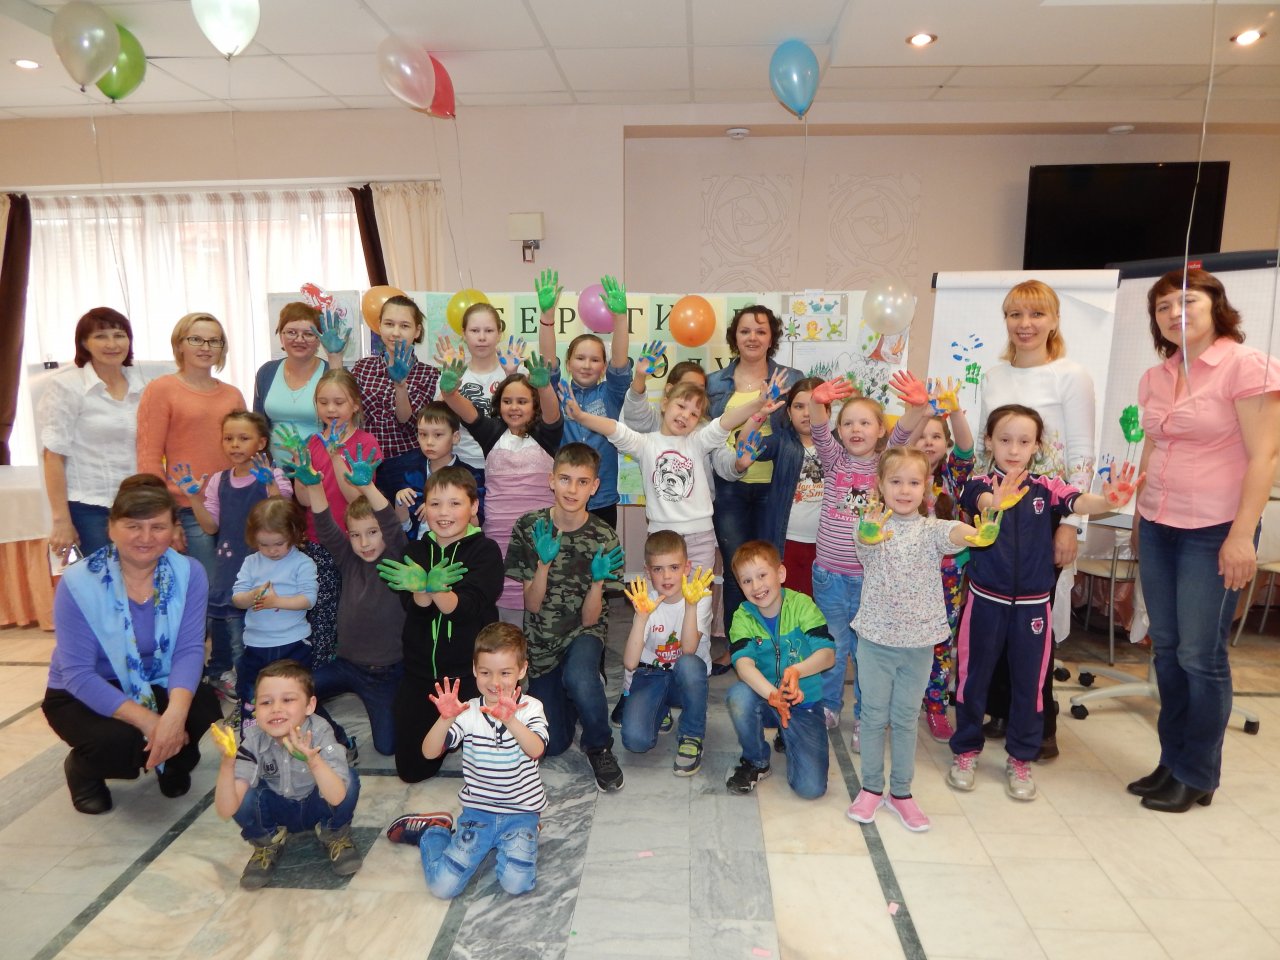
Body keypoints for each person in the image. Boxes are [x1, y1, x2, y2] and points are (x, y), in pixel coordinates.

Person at [1126, 268, 1280, 813]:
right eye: (1163, 306)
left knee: (1199, 654)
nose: (1175, 313)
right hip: (1159, 523)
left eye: (1187, 301)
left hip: (1215, 528)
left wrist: (1241, 536)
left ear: (1216, 306)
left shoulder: (1246, 365)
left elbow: (1265, 456)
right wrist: (1140, 517)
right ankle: (1171, 762)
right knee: (1167, 649)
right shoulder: (1156, 376)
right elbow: (1152, 449)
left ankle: (1198, 773)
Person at [949, 404, 1139, 801]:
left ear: (1037, 446)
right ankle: (965, 751)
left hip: (1034, 606)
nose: (1013, 449)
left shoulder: (1047, 486)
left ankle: (1021, 757)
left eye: (1024, 441)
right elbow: (983, 502)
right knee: (972, 678)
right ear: (989, 442)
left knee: (1030, 686)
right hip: (985, 601)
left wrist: (1108, 501)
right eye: (1004, 440)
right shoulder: (977, 483)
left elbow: (1080, 503)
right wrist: (997, 501)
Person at [42, 474, 222, 815]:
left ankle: (172, 760)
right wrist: (152, 723)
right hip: (84, 688)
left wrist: (174, 716)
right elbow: (78, 674)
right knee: (119, 740)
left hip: (157, 676)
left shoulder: (189, 572)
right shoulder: (78, 583)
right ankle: (83, 770)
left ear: (174, 529)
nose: (146, 537)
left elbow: (188, 649)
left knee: (201, 709)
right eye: (133, 526)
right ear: (111, 528)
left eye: (158, 527)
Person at [845, 448, 1000, 832]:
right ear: (880, 486)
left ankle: (901, 793)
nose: (904, 490)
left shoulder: (931, 529)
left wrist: (975, 534)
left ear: (926, 488)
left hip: (919, 644)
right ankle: (870, 788)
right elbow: (863, 541)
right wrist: (868, 534)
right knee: (873, 716)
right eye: (895, 481)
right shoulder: (872, 525)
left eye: (913, 482)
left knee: (904, 719)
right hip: (876, 640)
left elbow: (954, 532)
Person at [976, 279, 1096, 758]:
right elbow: (985, 446)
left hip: (1048, 513)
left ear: (1054, 320)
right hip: (996, 512)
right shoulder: (993, 375)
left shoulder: (1071, 375)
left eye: (1036, 314)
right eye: (1015, 314)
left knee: (1034, 622)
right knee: (994, 614)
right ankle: (1001, 708)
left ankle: (1040, 722)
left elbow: (1082, 455)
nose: (1025, 324)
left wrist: (1070, 525)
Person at [384, 623, 547, 900]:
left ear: (522, 670)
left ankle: (526, 832)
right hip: (477, 814)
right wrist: (445, 719)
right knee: (442, 887)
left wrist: (511, 720)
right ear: (474, 669)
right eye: (485, 672)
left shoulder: (531, 708)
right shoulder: (467, 712)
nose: (495, 682)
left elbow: (536, 749)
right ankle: (434, 832)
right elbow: (429, 752)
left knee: (516, 884)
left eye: (505, 673)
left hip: (521, 812)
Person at [563, 374, 785, 572]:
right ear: (665, 403)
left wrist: (758, 402)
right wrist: (581, 416)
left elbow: (724, 423)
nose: (685, 415)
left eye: (694, 414)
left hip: (700, 539)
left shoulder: (698, 442)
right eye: (681, 406)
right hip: (662, 539)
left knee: (699, 600)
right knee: (659, 598)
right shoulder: (645, 444)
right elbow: (615, 429)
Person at [809, 373, 926, 743]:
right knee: (833, 645)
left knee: (867, 653)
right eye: (847, 423)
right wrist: (817, 402)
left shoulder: (885, 465)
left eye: (864, 423)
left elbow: (904, 432)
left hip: (870, 579)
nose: (855, 429)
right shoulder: (834, 461)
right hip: (829, 576)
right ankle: (829, 706)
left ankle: (866, 717)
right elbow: (818, 430)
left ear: (880, 430)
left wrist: (918, 406)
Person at [505, 444, 626, 790]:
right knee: (554, 743)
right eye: (565, 479)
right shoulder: (530, 526)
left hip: (583, 631)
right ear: (551, 480)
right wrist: (543, 564)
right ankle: (573, 695)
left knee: (579, 675)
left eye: (582, 482)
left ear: (595, 487)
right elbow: (531, 605)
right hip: (541, 639)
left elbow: (590, 621)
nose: (572, 489)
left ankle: (599, 745)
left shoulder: (603, 536)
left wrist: (598, 582)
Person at [377, 467, 505, 783]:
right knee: (411, 771)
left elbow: (465, 610)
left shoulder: (485, 551)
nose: (444, 512)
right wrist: (421, 589)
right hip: (422, 676)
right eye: (435, 504)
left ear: (473, 506)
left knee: (492, 770)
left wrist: (436, 589)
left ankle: (461, 730)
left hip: (470, 677)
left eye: (454, 503)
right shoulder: (416, 551)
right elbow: (415, 610)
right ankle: (446, 731)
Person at [212, 659, 361, 889]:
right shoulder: (252, 739)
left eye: (288, 700)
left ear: (310, 705)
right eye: (266, 702)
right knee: (244, 793)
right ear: (255, 709)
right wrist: (227, 764)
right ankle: (267, 842)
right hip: (278, 809)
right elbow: (226, 809)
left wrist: (314, 761)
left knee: (348, 780)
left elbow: (337, 796)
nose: (276, 708)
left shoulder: (320, 731)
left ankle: (334, 832)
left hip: (317, 804)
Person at [298, 454, 408, 760]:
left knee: (387, 747)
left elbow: (391, 523)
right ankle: (338, 737)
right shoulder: (348, 558)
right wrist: (315, 487)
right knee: (296, 693)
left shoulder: (397, 555)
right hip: (346, 665)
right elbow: (326, 528)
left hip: (385, 674)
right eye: (356, 535)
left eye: (372, 533)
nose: (364, 543)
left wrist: (369, 487)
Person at [438, 362, 563, 624]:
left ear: (534, 405)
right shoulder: (492, 432)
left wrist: (545, 387)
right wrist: (449, 392)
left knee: (539, 594)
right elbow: (465, 410)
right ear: (498, 404)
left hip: (537, 535)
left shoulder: (545, 434)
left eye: (522, 401)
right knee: (501, 600)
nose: (514, 407)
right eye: (507, 401)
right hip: (498, 534)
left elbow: (553, 414)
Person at [705, 306, 802, 627]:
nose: (753, 338)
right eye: (745, 331)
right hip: (729, 489)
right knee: (738, 571)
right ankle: (740, 644)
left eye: (761, 331)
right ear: (734, 336)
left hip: (775, 489)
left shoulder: (792, 379)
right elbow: (709, 436)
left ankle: (773, 641)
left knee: (769, 571)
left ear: (772, 338)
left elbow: (798, 433)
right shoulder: (714, 382)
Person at [278, 368, 382, 664]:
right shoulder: (311, 444)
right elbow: (302, 499)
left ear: (355, 404)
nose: (331, 409)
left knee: (353, 609)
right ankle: (322, 669)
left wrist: (337, 457)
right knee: (322, 610)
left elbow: (357, 499)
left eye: (339, 402)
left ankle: (353, 664)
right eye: (323, 402)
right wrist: (300, 469)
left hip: (356, 543)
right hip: (318, 541)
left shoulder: (365, 443)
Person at [187, 410, 291, 697]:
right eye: (228, 438)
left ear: (261, 443)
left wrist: (269, 483)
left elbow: (283, 512)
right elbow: (210, 526)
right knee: (229, 627)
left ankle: (257, 685)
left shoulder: (273, 475)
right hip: (229, 566)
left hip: (264, 567)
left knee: (254, 631)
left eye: (243, 438)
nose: (234, 444)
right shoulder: (219, 480)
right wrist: (194, 498)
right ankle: (232, 681)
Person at [136, 312, 246, 579]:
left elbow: (246, 452)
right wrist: (167, 519)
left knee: (237, 583)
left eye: (214, 341)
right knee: (205, 585)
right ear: (179, 344)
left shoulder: (232, 395)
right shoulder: (161, 389)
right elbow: (149, 459)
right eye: (196, 339)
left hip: (233, 505)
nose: (206, 347)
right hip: (188, 508)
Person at [725, 540, 835, 799]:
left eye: (762, 575)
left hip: (804, 703)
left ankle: (788, 736)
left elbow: (828, 655)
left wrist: (797, 671)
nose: (756, 586)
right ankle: (756, 761)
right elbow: (743, 665)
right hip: (766, 699)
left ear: (781, 574)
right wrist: (772, 694)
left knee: (810, 789)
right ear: (740, 586)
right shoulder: (742, 616)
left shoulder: (802, 605)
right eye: (747, 580)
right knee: (739, 696)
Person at [40, 307, 148, 560]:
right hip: (90, 505)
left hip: (139, 503)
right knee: (104, 577)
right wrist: (61, 520)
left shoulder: (143, 384)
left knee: (142, 575)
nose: (112, 344)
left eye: (119, 335)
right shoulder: (66, 386)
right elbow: (53, 456)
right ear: (84, 343)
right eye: (101, 336)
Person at [536, 270, 633, 527]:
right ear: (568, 363)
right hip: (564, 497)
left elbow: (620, 363)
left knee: (603, 553)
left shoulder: (611, 393)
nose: (587, 365)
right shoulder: (557, 392)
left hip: (602, 498)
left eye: (595, 359)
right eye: (580, 358)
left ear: (604, 367)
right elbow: (546, 363)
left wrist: (620, 319)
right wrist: (547, 317)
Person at [908, 379, 976, 742]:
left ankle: (935, 706)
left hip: (948, 574)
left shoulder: (952, 475)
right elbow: (901, 444)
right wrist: (922, 415)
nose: (928, 442)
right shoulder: (901, 474)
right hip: (907, 572)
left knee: (940, 642)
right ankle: (904, 702)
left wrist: (953, 411)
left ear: (945, 444)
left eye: (936, 436)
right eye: (923, 436)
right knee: (906, 639)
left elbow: (966, 448)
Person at [620, 530, 714, 775]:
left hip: (686, 677)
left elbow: (688, 650)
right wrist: (642, 618)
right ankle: (659, 709)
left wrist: (691, 606)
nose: (666, 576)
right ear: (647, 571)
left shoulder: (700, 597)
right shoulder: (647, 601)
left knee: (689, 664)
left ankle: (692, 734)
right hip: (652, 674)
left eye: (674, 567)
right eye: (658, 569)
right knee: (635, 742)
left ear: (687, 568)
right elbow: (630, 663)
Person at [731, 376, 825, 596]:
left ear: (827, 411)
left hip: (823, 546)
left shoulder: (836, 445)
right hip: (785, 542)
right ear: (789, 412)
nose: (807, 413)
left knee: (815, 603)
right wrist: (761, 413)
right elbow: (743, 444)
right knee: (785, 600)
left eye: (814, 406)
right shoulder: (782, 442)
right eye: (799, 406)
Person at [231, 498, 318, 717]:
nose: (271, 550)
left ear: (293, 534)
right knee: (252, 697)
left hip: (292, 643)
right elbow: (237, 598)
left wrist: (276, 601)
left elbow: (308, 599)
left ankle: (326, 733)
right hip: (256, 643)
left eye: (278, 544)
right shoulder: (251, 562)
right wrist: (252, 596)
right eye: (263, 545)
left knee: (296, 697)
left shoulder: (302, 563)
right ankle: (251, 734)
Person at [352, 295, 441, 504]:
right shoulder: (362, 367)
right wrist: (335, 358)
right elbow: (347, 410)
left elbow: (407, 423)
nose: (395, 332)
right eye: (389, 324)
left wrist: (400, 386)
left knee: (408, 520)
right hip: (366, 461)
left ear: (417, 331)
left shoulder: (428, 374)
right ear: (379, 325)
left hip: (408, 462)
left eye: (404, 326)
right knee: (369, 519)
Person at [433, 301, 523, 480]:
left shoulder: (518, 372)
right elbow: (436, 419)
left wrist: (511, 376)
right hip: (462, 467)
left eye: (489, 330)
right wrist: (449, 382)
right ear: (464, 334)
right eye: (474, 330)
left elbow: (529, 421)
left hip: (509, 465)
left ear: (499, 334)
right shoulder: (451, 374)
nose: (482, 337)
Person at [253, 301, 347, 464]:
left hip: (320, 469)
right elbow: (257, 425)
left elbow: (343, 422)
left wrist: (335, 358)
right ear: (281, 336)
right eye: (291, 332)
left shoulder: (331, 371)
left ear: (319, 339)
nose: (299, 339)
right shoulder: (266, 372)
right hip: (274, 471)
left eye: (308, 334)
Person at [393, 402, 484, 539]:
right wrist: (400, 503)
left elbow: (477, 523)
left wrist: (436, 509)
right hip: (420, 547)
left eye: (438, 435)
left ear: (455, 437)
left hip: (458, 546)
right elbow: (405, 527)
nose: (429, 442)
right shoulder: (411, 475)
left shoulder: (472, 476)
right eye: (423, 434)